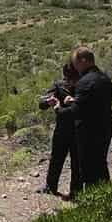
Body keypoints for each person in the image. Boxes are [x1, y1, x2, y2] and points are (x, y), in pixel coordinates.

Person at [57, 46, 112, 191]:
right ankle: (109, 198)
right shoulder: (105, 78)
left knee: (88, 170)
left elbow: (77, 112)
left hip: (89, 132)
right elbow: (93, 104)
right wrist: (76, 100)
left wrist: (59, 108)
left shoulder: (84, 82)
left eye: (75, 62)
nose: (74, 66)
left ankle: (93, 204)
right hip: (105, 128)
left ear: (83, 61)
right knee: (101, 165)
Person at [37, 62, 80, 198]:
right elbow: (42, 103)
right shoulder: (59, 86)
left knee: (77, 162)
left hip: (78, 129)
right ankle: (51, 187)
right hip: (62, 128)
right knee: (56, 158)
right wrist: (47, 101)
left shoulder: (83, 86)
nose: (68, 81)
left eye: (71, 77)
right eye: (66, 77)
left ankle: (75, 191)